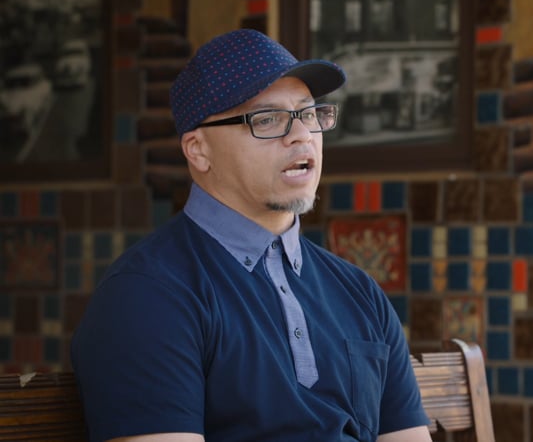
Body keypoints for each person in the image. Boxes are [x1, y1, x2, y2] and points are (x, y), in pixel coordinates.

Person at [70, 29, 432, 442]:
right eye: (267, 119)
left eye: (309, 113)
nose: (301, 136)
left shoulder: (360, 293)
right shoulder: (147, 296)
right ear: (198, 150)